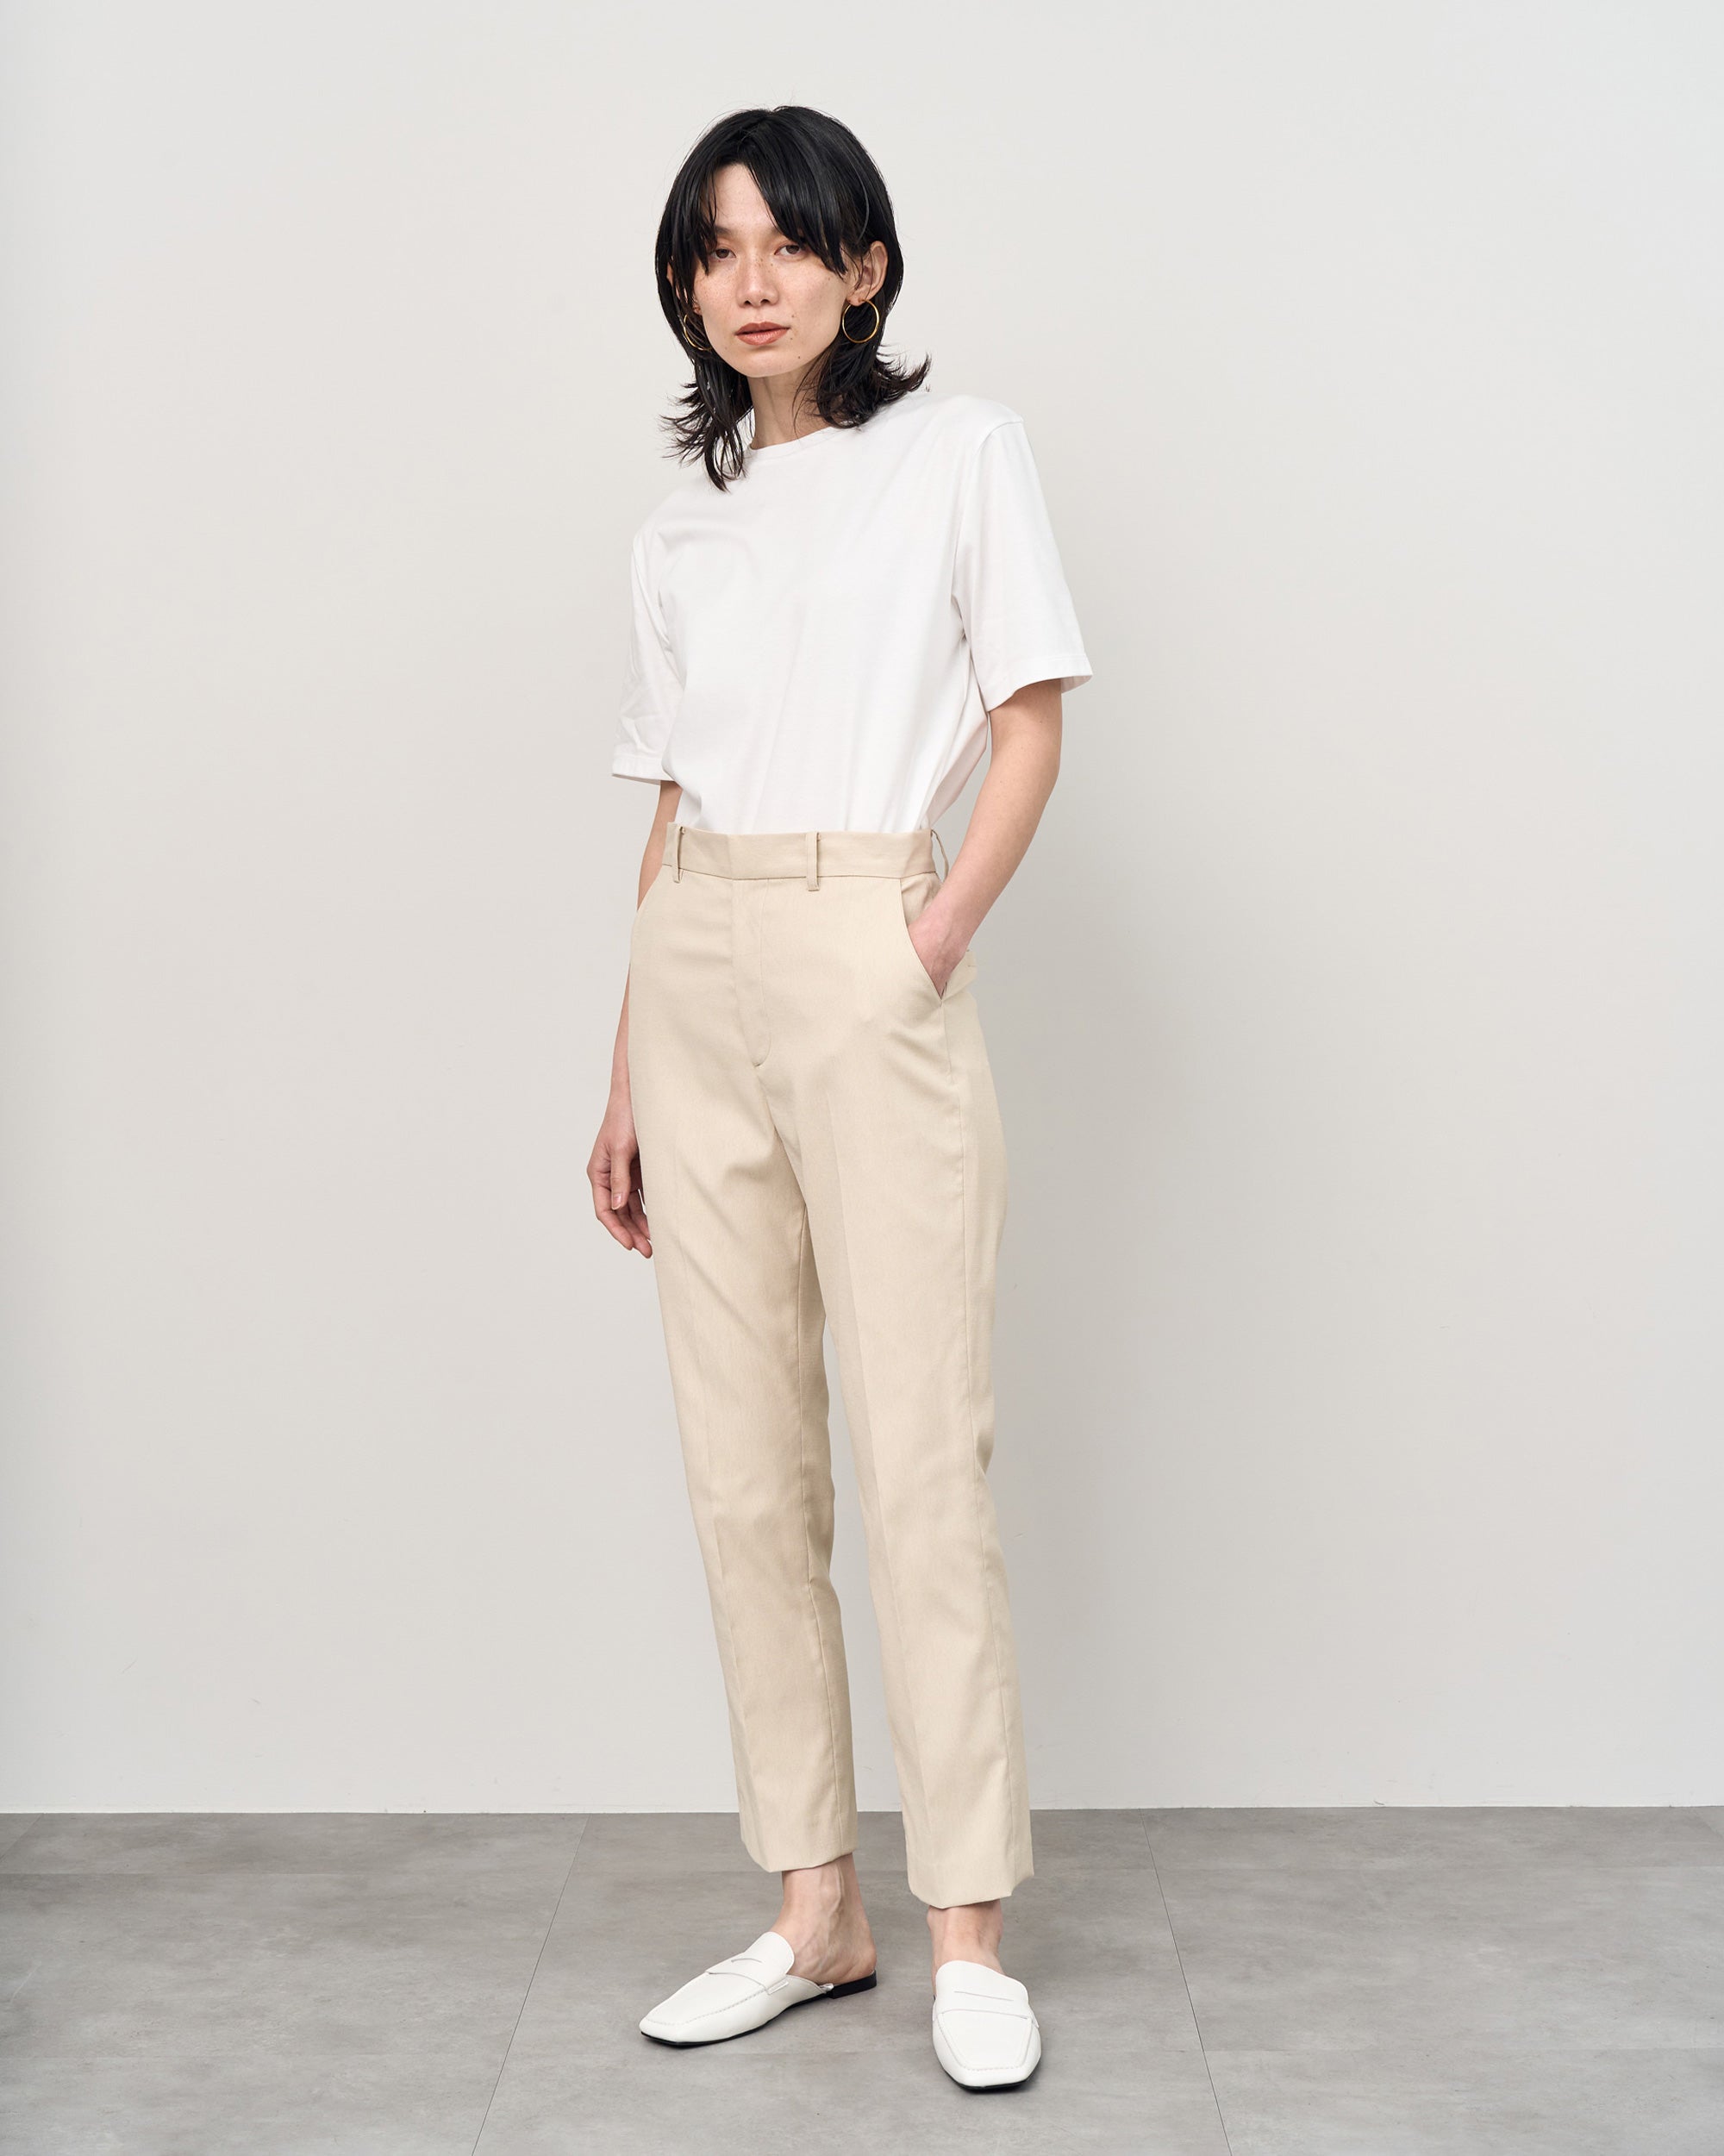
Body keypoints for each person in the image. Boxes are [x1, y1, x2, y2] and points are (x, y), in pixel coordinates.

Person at [589, 103, 1091, 2091]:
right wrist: (624, 1067)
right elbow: (672, 805)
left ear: (863, 267)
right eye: (715, 251)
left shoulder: (959, 453)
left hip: (865, 937)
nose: (754, 281)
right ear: (686, 285)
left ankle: (966, 1932)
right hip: (693, 962)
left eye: (789, 243)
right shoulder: (679, 531)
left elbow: (1029, 720)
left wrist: (929, 935)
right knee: (743, 1473)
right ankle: (817, 1911)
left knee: (914, 1459)